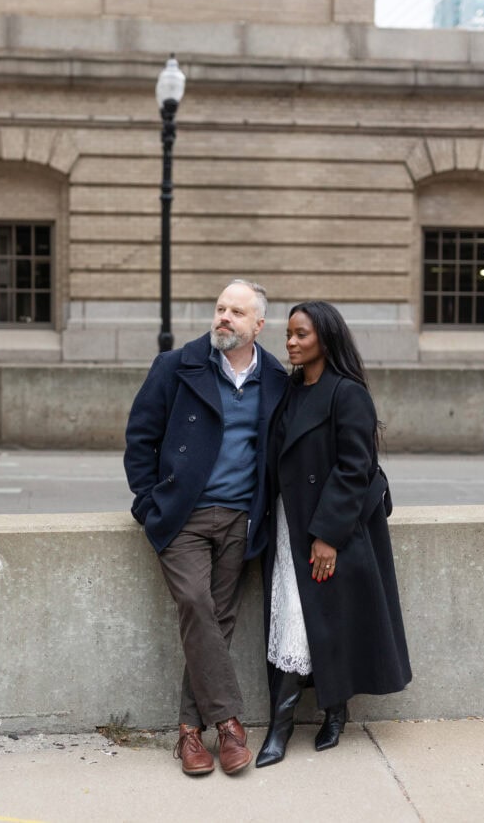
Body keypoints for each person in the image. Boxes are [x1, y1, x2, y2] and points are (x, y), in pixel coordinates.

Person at [124, 279, 287, 776]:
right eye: (220, 308)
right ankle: (231, 724)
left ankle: (190, 733)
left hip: (241, 518)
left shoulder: (276, 379)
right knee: (196, 603)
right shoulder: (177, 367)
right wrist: (150, 504)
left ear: (258, 324)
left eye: (237, 312)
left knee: (218, 620)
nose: (224, 318)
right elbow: (140, 437)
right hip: (183, 516)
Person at [256, 301, 412, 768]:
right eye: (287, 334)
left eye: (301, 334)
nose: (291, 342)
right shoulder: (289, 391)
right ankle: (333, 710)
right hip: (288, 522)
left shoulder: (347, 394)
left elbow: (354, 468)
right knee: (305, 614)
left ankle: (282, 730)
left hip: (327, 528)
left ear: (325, 337)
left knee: (309, 616)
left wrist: (327, 535)